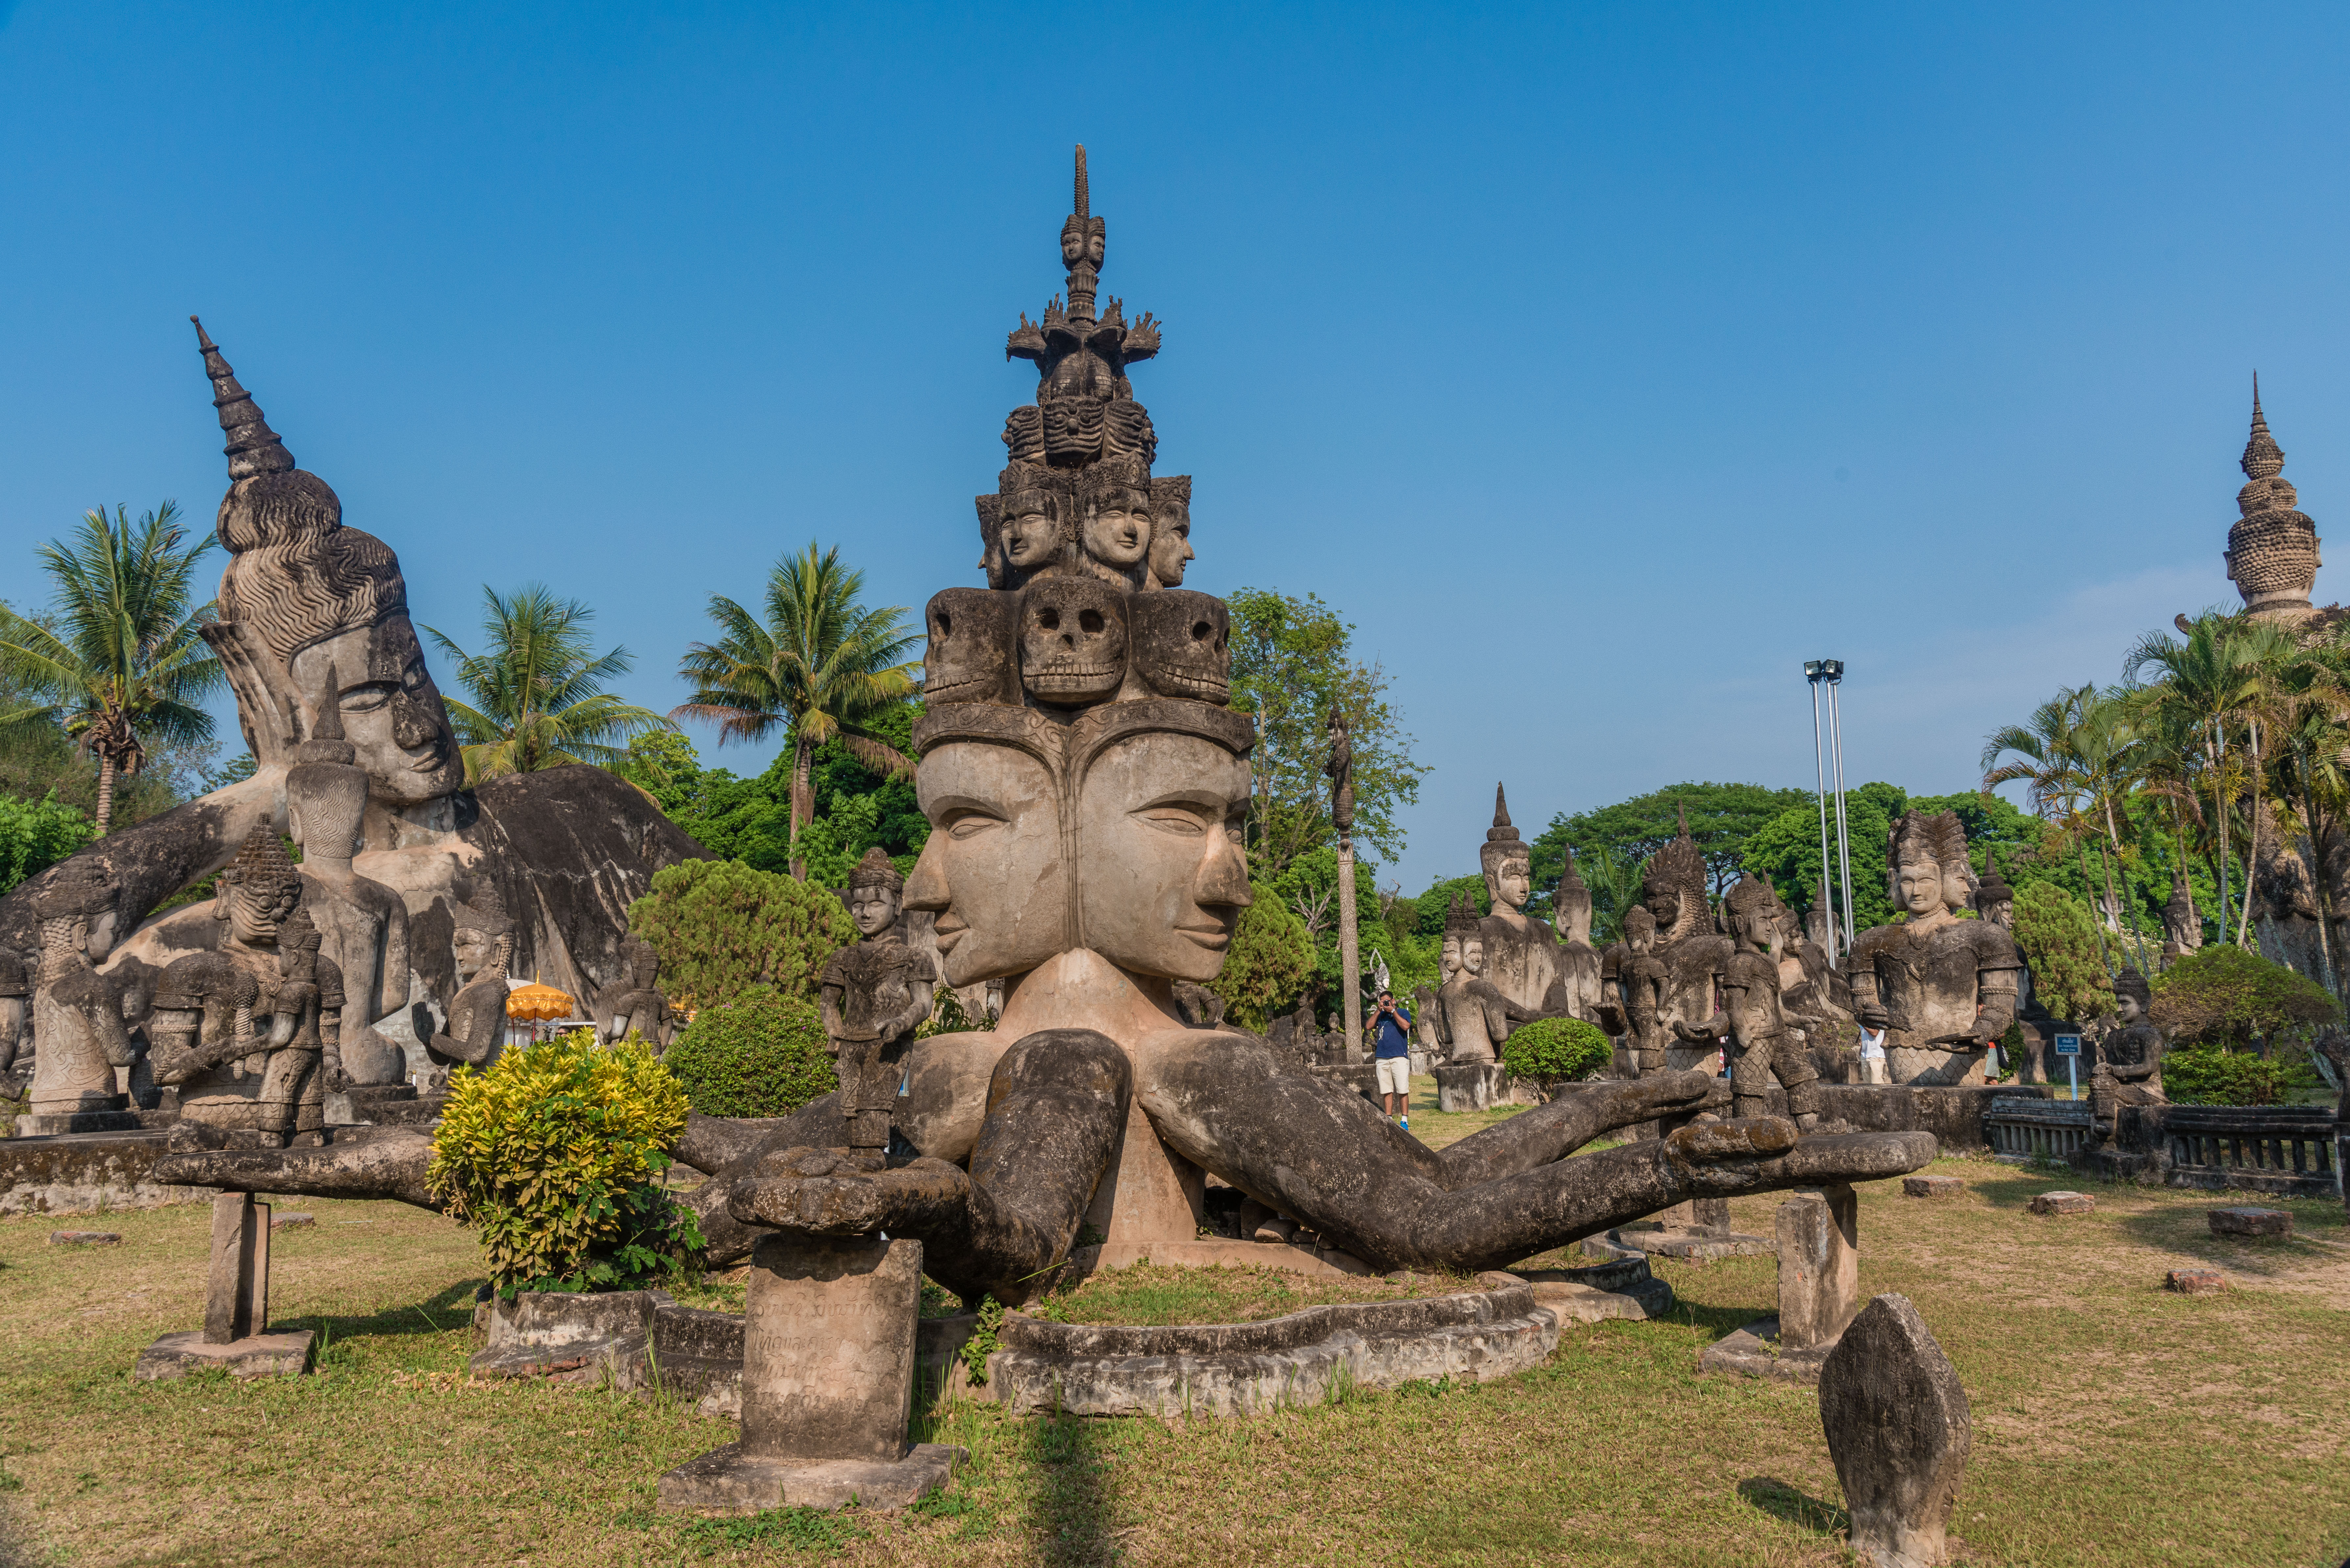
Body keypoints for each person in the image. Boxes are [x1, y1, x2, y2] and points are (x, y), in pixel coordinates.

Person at [1370, 988, 1415, 1128]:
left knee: (1402, 1089)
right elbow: (1368, 1026)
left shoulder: (1402, 1012)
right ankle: (1389, 1119)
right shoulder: (1381, 1015)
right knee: (1386, 1090)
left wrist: (1393, 1012)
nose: (1385, 1004)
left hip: (1399, 1057)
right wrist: (1378, 1011)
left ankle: (1404, 1121)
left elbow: (1406, 1026)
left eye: (1387, 1002)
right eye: (1382, 1002)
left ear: (1393, 1001)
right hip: (1382, 1057)